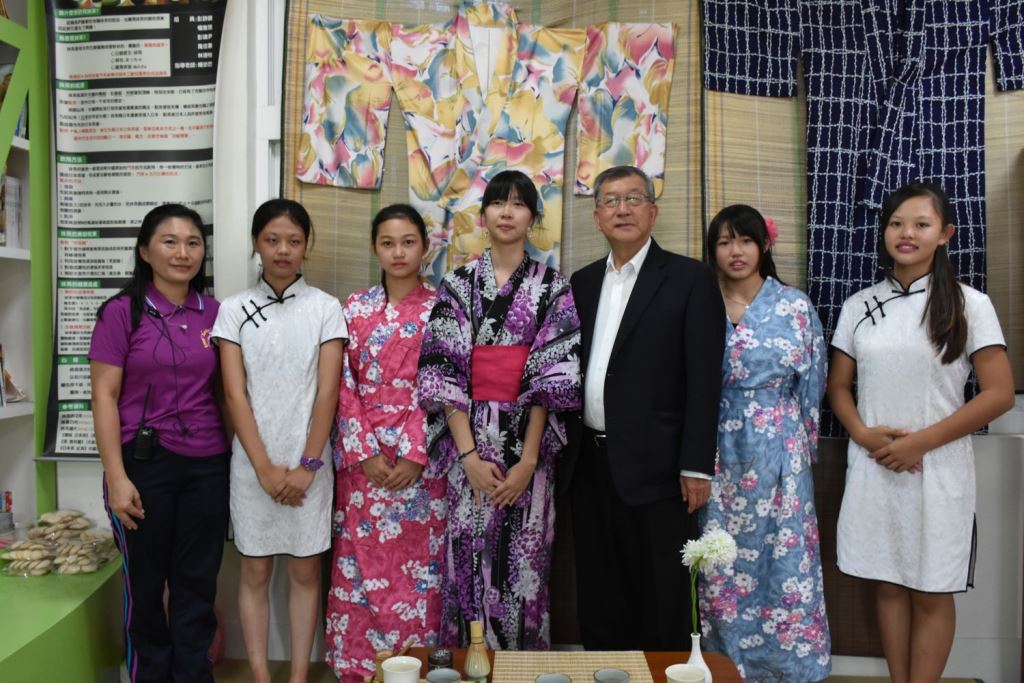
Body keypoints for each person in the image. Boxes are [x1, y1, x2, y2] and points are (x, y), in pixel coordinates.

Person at [829, 181, 1014, 683]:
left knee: (932, 589)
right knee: (888, 584)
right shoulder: (859, 305)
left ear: (945, 234)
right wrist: (863, 435)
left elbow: (999, 393)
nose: (906, 233)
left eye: (921, 224)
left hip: (938, 468)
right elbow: (838, 386)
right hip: (874, 466)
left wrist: (918, 443)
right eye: (896, 223)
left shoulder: (971, 304)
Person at [417, 169, 581, 650]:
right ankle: (470, 666)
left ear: (533, 217)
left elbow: (553, 375)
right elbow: (443, 371)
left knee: (524, 567)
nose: (507, 213)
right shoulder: (457, 283)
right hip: (468, 439)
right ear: (484, 214)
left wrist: (528, 461)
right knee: (466, 558)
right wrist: (468, 457)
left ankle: (521, 669)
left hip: (529, 443)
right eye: (497, 202)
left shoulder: (553, 286)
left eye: (518, 204)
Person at [563, 165, 725, 650]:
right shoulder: (581, 282)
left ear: (652, 211)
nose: (623, 209)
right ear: (597, 217)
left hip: (660, 467)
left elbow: (704, 380)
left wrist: (696, 465)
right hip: (588, 465)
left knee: (662, 597)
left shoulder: (690, 279)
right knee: (600, 593)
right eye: (611, 201)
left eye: (634, 198)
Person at [90, 203, 229, 683]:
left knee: (197, 587)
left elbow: (227, 393)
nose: (182, 252)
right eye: (169, 242)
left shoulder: (215, 313)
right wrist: (116, 478)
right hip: (142, 466)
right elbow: (104, 397)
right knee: (146, 590)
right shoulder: (120, 313)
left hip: (208, 464)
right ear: (145, 252)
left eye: (193, 243)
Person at [212, 199, 346, 683]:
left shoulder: (326, 309)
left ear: (307, 245)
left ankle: (298, 677)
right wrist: (265, 469)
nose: (282, 250)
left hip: (310, 466)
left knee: (306, 572)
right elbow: (234, 394)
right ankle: (260, 676)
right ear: (256, 244)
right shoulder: (233, 310)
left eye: (293, 240)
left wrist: (307, 465)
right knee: (254, 572)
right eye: (272, 240)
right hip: (253, 467)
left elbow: (328, 392)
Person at [698, 205, 831, 681]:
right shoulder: (699, 302)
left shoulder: (794, 305)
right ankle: (723, 665)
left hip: (781, 450)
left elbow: (813, 383)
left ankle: (789, 667)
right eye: (724, 242)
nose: (735, 252)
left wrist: (801, 453)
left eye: (745, 240)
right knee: (720, 563)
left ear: (764, 245)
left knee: (786, 560)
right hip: (713, 446)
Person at [326, 204, 446, 681]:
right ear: (374, 247)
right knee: (359, 568)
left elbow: (443, 383)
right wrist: (365, 451)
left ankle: (419, 667)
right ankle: (358, 669)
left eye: (409, 242)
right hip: (364, 463)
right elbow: (341, 383)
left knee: (421, 574)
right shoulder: (353, 308)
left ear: (425, 247)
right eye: (388, 243)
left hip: (423, 463)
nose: (399, 252)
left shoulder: (443, 307)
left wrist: (416, 451)